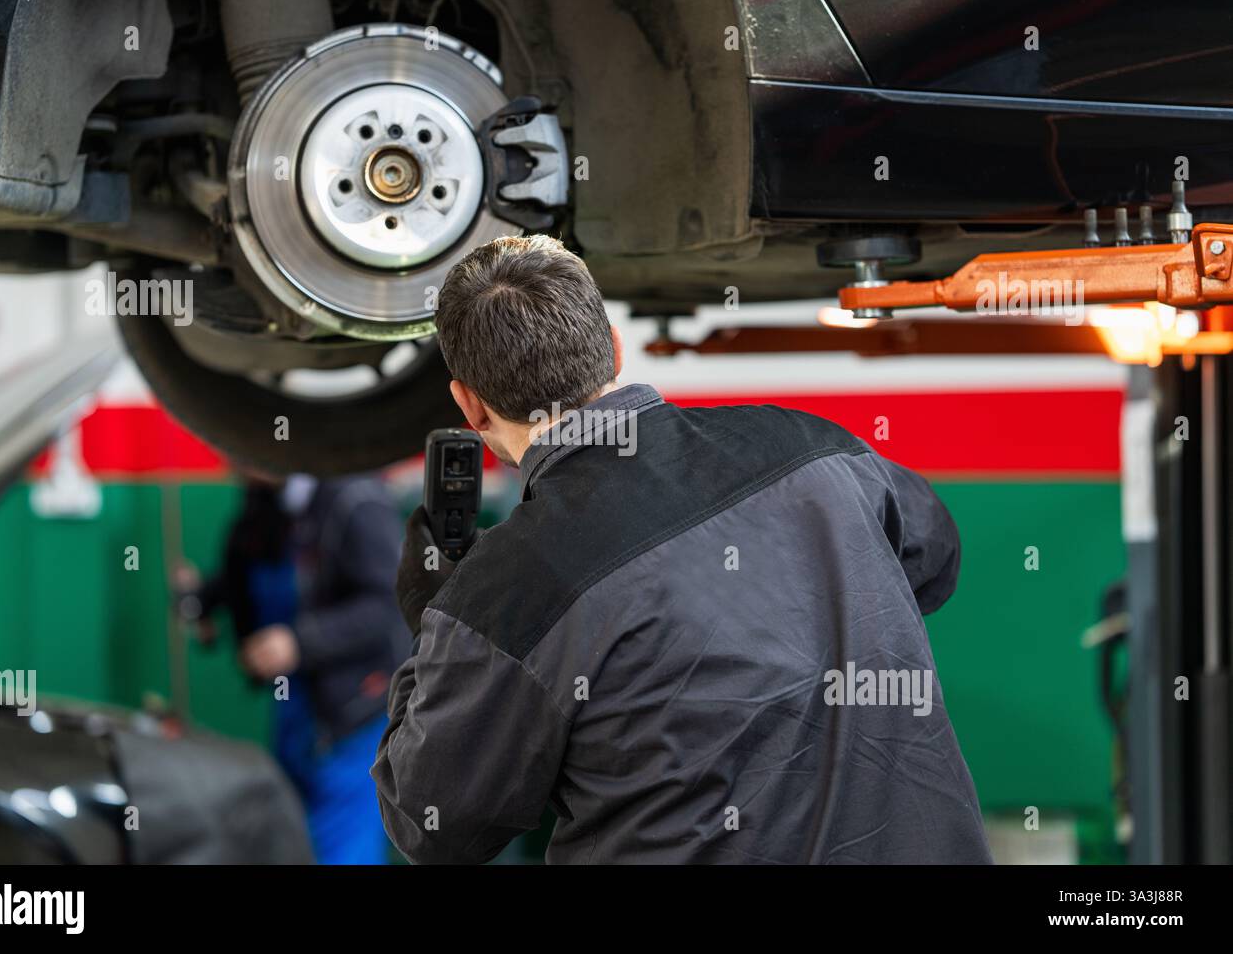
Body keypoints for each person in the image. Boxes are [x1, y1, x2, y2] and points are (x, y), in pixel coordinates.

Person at [375, 234, 992, 864]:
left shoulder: (508, 592)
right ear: (613, 348)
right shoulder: (813, 445)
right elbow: (934, 556)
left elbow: (431, 824)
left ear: (471, 406)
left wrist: (436, 632)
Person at [181, 470, 411, 864]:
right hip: (297, 712)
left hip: (355, 715)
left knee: (340, 852)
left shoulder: (356, 501)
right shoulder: (269, 504)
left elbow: (388, 604)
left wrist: (299, 642)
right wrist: (201, 600)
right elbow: (247, 571)